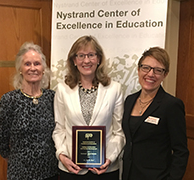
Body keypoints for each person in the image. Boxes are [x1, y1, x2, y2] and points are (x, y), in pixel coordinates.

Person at [52, 35, 126, 180]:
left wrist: (109, 158)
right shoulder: (62, 89)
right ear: (74, 60)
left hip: (105, 169)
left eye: (91, 55)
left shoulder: (114, 89)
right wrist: (62, 155)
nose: (86, 60)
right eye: (81, 55)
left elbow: (119, 131)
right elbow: (59, 128)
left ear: (98, 59)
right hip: (71, 168)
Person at [122, 47, 189, 180]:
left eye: (158, 70)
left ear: (165, 74)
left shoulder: (171, 105)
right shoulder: (129, 100)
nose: (151, 74)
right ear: (138, 69)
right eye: (146, 68)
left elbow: (181, 151)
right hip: (129, 174)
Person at [0, 42, 59, 180]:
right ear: (20, 69)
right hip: (20, 174)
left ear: (43, 69)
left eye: (37, 63)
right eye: (27, 64)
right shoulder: (9, 100)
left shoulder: (52, 98)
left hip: (50, 173)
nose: (33, 68)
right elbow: (1, 141)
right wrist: (18, 162)